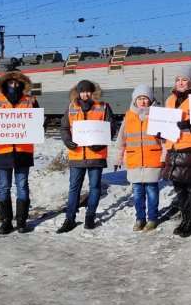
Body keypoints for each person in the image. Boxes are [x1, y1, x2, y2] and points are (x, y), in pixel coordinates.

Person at [0, 71, 39, 235]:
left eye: (16, 83)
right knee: (3, 186)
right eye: (10, 83)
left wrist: (40, 125)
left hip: (23, 151)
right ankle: (6, 222)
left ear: (22, 84)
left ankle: (22, 222)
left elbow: (38, 122)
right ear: (5, 83)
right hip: (2, 151)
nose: (14, 85)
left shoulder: (31, 101)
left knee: (22, 186)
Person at [56, 80, 114, 233]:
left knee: (94, 187)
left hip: (96, 155)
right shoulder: (71, 107)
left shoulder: (103, 106)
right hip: (77, 156)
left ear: (92, 92)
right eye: (82, 91)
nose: (85, 94)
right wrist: (68, 141)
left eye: (88, 91)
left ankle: (90, 216)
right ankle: (70, 219)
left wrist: (100, 144)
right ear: (78, 92)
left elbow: (111, 127)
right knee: (74, 188)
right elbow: (64, 127)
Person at [161, 66, 191, 238]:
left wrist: (189, 125)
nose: (180, 83)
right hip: (174, 148)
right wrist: (160, 130)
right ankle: (185, 218)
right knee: (179, 188)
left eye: (184, 80)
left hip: (190, 147)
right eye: (178, 80)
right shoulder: (170, 100)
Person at [115, 84, 163, 232]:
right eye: (139, 98)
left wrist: (165, 157)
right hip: (135, 161)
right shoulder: (129, 116)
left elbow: (165, 139)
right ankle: (140, 218)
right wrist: (118, 157)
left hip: (152, 160)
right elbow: (121, 140)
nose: (142, 101)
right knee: (137, 194)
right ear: (135, 101)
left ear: (150, 100)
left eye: (145, 98)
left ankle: (152, 219)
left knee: (152, 192)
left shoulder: (158, 115)